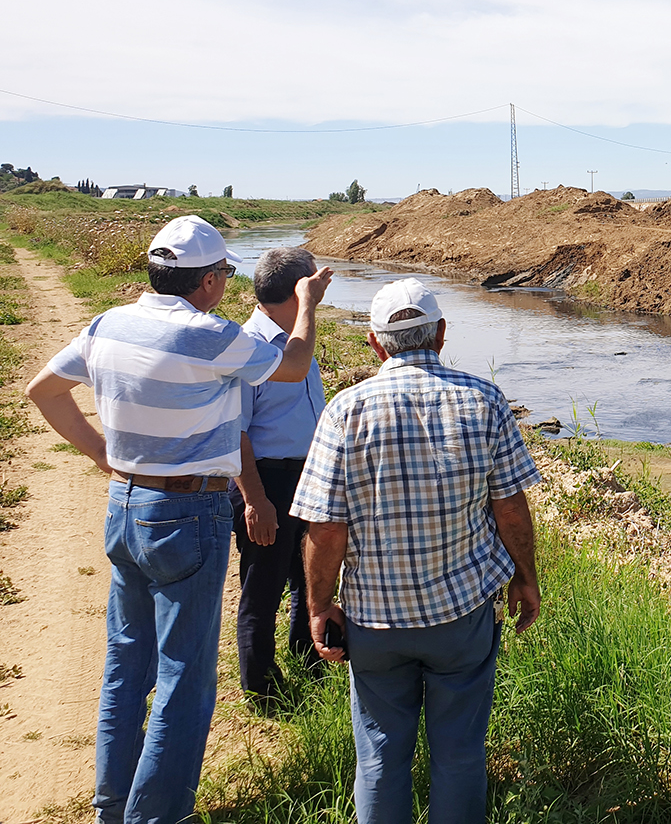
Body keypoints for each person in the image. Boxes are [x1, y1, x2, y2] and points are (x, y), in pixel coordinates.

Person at [25, 216, 332, 824]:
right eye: (222, 274)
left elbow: (43, 390)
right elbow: (294, 363)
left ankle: (113, 806)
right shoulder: (208, 335)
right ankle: (158, 815)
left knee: (126, 666)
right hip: (188, 512)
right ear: (211, 281)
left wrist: (108, 459)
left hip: (126, 506)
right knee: (184, 676)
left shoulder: (107, 324)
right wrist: (307, 304)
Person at [291, 277, 541, 824]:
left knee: (380, 754)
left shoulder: (344, 411)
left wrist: (317, 605)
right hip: (462, 616)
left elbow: (326, 530)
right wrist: (526, 578)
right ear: (442, 335)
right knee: (459, 752)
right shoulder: (485, 400)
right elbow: (511, 510)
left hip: (376, 622)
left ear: (376, 344)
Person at [232, 246, 327, 710]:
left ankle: (309, 665)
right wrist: (255, 501)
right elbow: (236, 433)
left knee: (308, 580)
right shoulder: (249, 347)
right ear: (298, 290)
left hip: (306, 476)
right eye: (313, 284)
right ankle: (262, 692)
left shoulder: (298, 338)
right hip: (267, 481)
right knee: (262, 586)